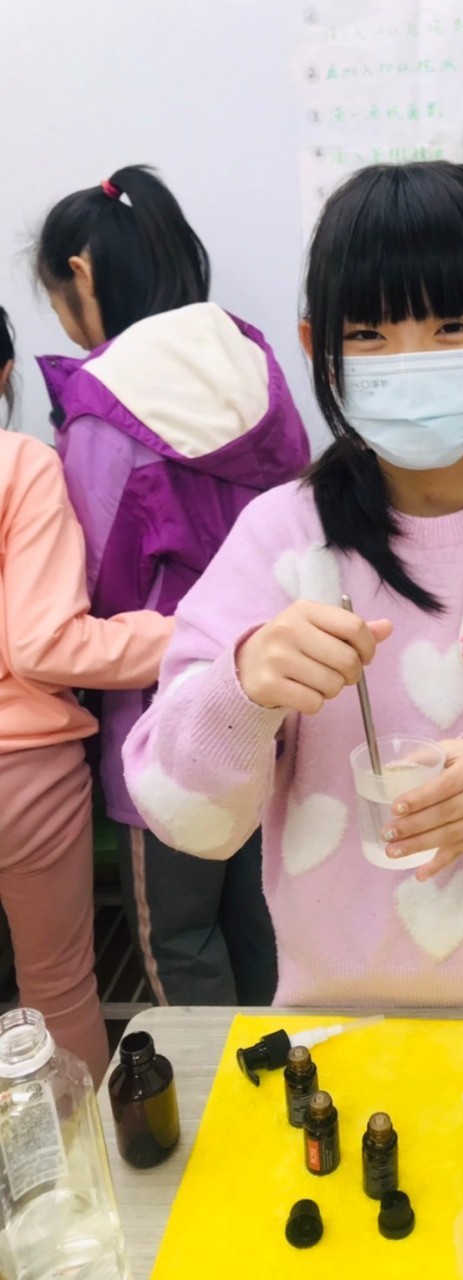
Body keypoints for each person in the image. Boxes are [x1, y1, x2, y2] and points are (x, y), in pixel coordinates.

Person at [124, 161, 463, 1008]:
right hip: (330, 1024)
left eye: (452, 325)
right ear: (318, 349)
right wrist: (243, 687)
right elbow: (185, 817)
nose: (410, 363)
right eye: (369, 334)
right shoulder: (279, 538)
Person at [34, 166, 310, 1006]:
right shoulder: (256, 366)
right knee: (265, 917)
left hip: (163, 722)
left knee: (179, 938)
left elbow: (93, 585)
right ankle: (282, 1066)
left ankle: (207, 1080)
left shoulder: (103, 410)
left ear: (81, 273)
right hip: (273, 696)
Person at [0, 307, 172, 1082]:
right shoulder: (21, 464)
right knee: (59, 989)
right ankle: (75, 1154)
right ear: (6, 374)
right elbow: (44, 644)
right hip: (21, 772)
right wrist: (194, 630)